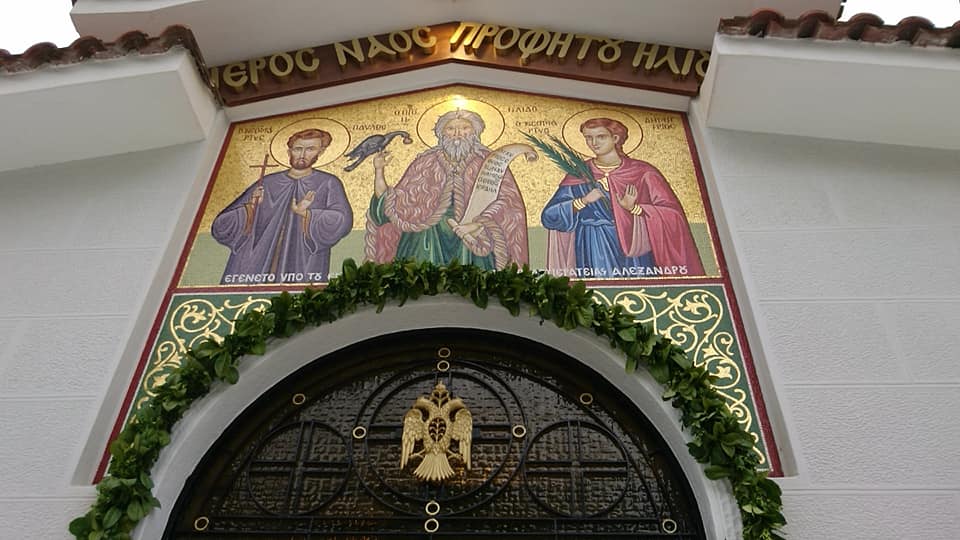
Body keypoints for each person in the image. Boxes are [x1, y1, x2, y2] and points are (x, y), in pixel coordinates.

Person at [364, 109, 528, 269]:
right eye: (450, 128)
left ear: (475, 132)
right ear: (441, 134)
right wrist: (379, 170)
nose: (457, 134)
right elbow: (392, 205)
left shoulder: (490, 163)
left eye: (464, 128)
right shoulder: (425, 163)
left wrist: (479, 224)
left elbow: (509, 204)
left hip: (473, 237)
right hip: (428, 238)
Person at [541, 117, 704, 278]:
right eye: (588, 138)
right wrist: (583, 201)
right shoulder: (579, 174)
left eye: (601, 137)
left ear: (615, 138)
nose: (594, 143)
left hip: (635, 243)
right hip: (594, 242)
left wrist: (634, 208)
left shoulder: (643, 172)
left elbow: (672, 214)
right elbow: (549, 216)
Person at [212, 128, 353, 283]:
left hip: (302, 261)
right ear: (289, 151)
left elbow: (343, 220)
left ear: (321, 152)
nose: (302, 154)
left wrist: (307, 214)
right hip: (255, 265)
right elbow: (221, 225)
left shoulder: (328, 183)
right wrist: (250, 207)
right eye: (298, 149)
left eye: (310, 149)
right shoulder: (267, 183)